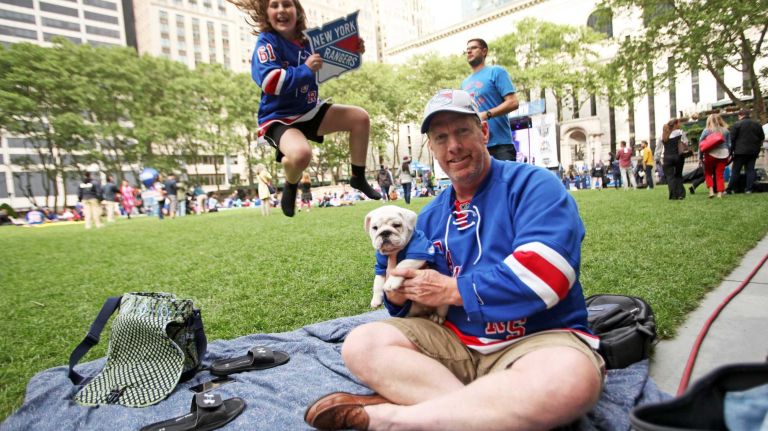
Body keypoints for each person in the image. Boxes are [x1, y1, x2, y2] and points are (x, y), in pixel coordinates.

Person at [304, 89, 604, 431]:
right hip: (454, 341)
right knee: (362, 343)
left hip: (537, 338)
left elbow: (548, 276)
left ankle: (393, 420)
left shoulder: (533, 184)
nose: (453, 147)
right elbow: (407, 306)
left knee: (571, 379)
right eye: (441, 137)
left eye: (462, 131)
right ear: (432, 148)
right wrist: (398, 295)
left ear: (485, 133)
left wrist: (452, 290)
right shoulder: (430, 216)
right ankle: (484, 413)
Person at [228, 0, 381, 217]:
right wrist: (305, 69)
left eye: (287, 4)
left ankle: (358, 177)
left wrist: (352, 49)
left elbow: (328, 63)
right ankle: (291, 184)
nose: (281, 9)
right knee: (301, 155)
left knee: (360, 118)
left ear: (298, 12)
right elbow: (271, 82)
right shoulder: (266, 43)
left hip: (309, 109)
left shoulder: (309, 41)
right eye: (274, 5)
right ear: (267, 14)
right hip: (279, 118)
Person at [461, 38, 520, 161]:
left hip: (500, 146)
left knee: (505, 181)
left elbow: (513, 102)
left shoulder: (496, 72)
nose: (469, 51)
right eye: (467, 50)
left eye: (473, 48)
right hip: (476, 147)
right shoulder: (464, 84)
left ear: (484, 51)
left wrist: (486, 114)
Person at [726, 109, 765, 194]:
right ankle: (749, 189)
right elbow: (762, 137)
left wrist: (730, 152)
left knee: (736, 171)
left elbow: (732, 140)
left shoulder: (737, 124)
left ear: (740, 115)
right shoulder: (757, 124)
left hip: (739, 152)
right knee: (750, 170)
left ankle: (729, 189)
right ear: (749, 115)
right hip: (753, 151)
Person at [698, 113, 732, 199]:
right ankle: (720, 193)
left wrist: (700, 157)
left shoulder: (707, 130)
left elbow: (701, 145)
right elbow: (729, 145)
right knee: (719, 174)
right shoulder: (726, 131)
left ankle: (711, 191)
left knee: (708, 173)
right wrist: (729, 155)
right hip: (723, 154)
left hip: (710, 154)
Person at [661, 118, 688, 200]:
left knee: (670, 177)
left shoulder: (664, 134)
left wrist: (657, 158)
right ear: (676, 124)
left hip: (667, 157)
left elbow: (658, 148)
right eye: (679, 123)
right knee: (678, 175)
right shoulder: (680, 133)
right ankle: (680, 194)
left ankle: (673, 195)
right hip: (678, 156)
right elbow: (686, 142)